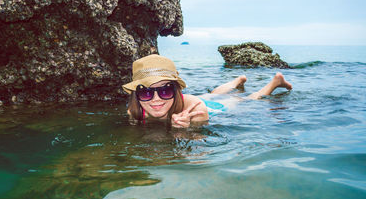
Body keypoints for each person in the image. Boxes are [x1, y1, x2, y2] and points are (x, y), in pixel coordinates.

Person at [122, 54, 292, 128]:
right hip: (194, 99)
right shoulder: (135, 110)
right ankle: (236, 82)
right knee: (213, 94)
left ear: (175, 90)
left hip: (209, 107)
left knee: (245, 100)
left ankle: (274, 82)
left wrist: (183, 131)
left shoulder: (196, 111)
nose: (156, 99)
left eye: (165, 90)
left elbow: (200, 156)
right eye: (146, 92)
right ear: (136, 95)